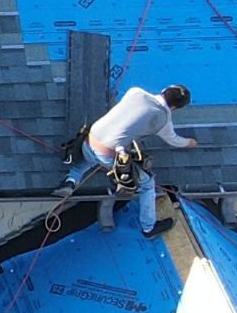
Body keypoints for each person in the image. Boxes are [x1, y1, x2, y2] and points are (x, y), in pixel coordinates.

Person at [80, 83, 193, 234]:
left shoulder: (136, 92)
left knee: (94, 154)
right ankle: (149, 227)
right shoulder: (163, 119)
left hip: (87, 140)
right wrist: (190, 142)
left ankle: (70, 179)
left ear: (164, 90)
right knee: (147, 183)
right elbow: (174, 140)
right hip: (106, 154)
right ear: (174, 108)